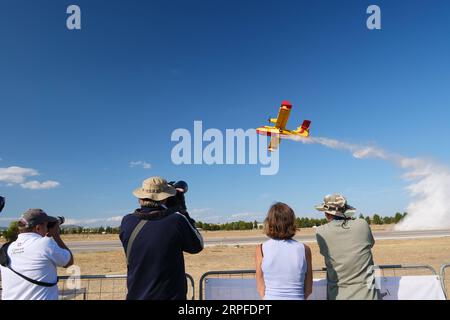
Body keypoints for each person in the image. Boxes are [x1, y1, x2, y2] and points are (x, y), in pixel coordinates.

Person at [120, 176, 204, 300]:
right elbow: (197, 246)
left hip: (136, 295)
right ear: (164, 198)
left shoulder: (127, 221)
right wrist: (182, 210)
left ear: (140, 197)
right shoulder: (176, 221)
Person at [315, 194, 381, 300]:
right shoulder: (362, 224)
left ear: (327, 214)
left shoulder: (321, 231)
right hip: (368, 296)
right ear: (346, 210)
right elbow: (371, 244)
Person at [0, 209, 74, 300]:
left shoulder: (6, 248)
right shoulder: (45, 244)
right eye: (46, 225)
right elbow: (68, 262)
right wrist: (56, 236)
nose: (47, 229)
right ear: (38, 228)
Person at [255, 202, 313, 300]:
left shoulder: (261, 249)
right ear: (291, 222)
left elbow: (260, 287)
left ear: (269, 222)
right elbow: (308, 289)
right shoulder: (305, 249)